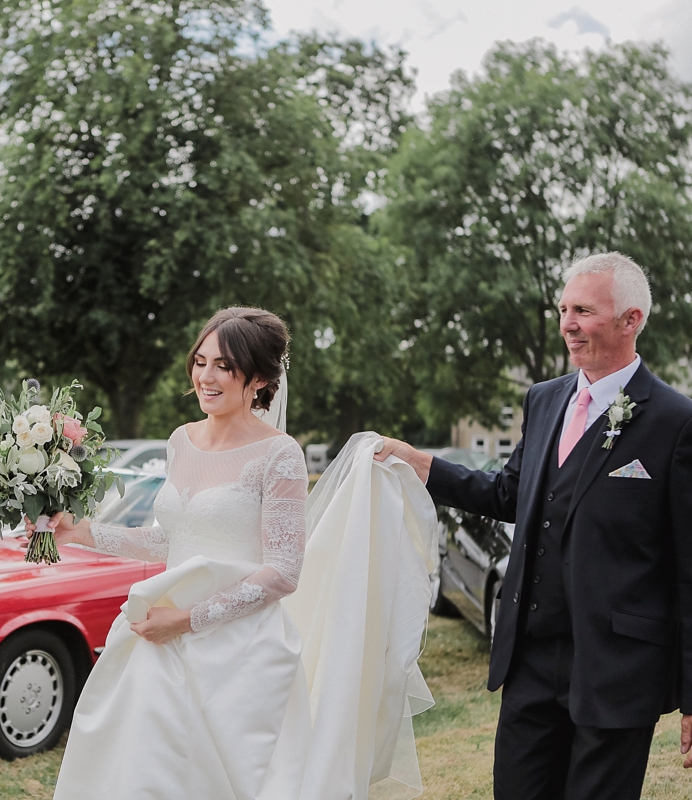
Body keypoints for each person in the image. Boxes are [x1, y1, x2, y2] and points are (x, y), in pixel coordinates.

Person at [378, 253, 692, 800]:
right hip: (529, 667)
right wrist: (420, 465)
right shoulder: (545, 399)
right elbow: (509, 493)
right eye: (564, 308)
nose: (568, 323)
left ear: (630, 320)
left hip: (618, 672)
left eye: (584, 311)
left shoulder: (679, 423)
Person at [44, 306, 438, 800]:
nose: (206, 377)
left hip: (239, 652)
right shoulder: (180, 441)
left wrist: (187, 620)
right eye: (201, 361)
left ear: (259, 380)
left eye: (224, 367)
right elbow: (170, 539)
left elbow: (284, 572)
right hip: (160, 638)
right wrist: (82, 533)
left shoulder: (279, 454)